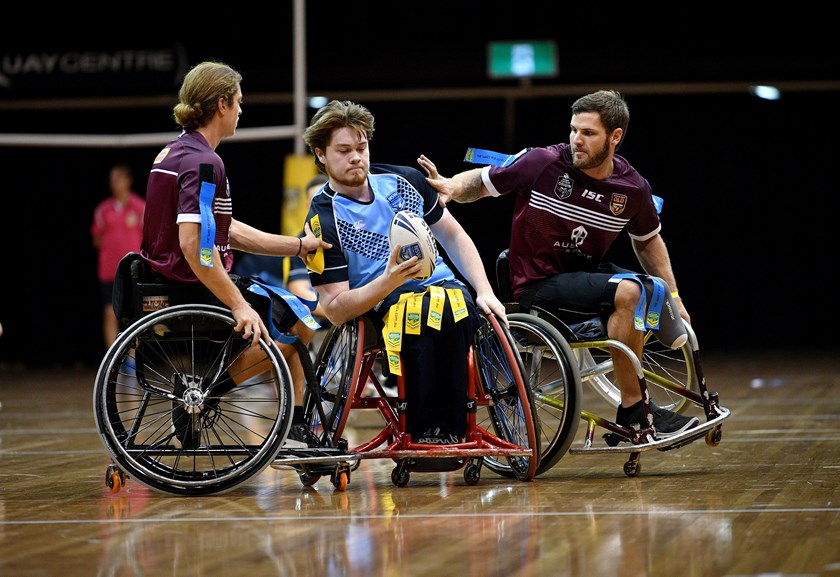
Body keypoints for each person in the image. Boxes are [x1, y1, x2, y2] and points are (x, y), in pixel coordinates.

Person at [417, 89, 699, 439]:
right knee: (631, 291)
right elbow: (482, 181)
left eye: (588, 133)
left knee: (650, 289)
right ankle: (635, 411)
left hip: (585, 278)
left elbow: (648, 240)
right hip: (538, 284)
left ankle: (638, 398)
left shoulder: (632, 188)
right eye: (573, 130)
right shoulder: (544, 163)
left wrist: (675, 294)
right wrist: (452, 187)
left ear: (615, 137)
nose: (576, 140)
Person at [140, 61, 331, 448]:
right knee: (302, 323)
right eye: (239, 102)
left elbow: (228, 231)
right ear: (222, 103)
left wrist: (296, 245)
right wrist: (239, 304)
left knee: (296, 319)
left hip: (167, 280)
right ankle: (208, 394)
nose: (242, 110)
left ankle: (293, 422)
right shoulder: (205, 163)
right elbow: (196, 247)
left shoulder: (173, 153)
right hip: (192, 286)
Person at [301, 99, 507, 444]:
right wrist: (388, 281)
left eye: (362, 147)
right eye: (344, 150)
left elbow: (454, 236)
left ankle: (454, 428)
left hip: (440, 285)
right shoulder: (321, 219)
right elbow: (335, 310)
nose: (356, 157)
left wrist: (484, 290)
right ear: (321, 154)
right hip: (380, 300)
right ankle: (423, 428)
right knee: (420, 312)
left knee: (455, 306)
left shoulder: (404, 181)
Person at [90, 163, 145, 349]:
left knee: (134, 315)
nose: (114, 183)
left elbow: (148, 238)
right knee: (109, 312)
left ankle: (132, 360)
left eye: (118, 179)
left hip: (132, 270)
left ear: (128, 181)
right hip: (108, 271)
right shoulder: (103, 210)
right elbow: (96, 239)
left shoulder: (140, 207)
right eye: (112, 180)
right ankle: (112, 358)